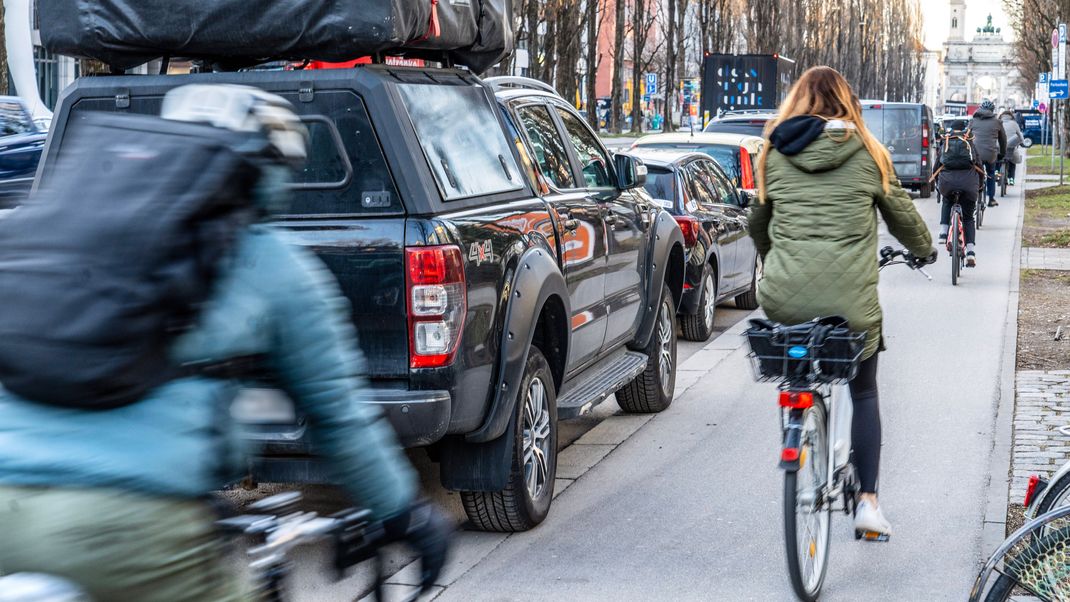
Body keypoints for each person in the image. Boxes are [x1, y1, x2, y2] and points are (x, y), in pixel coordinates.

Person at [0, 86, 450, 600]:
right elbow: (339, 418)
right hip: (123, 533)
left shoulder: (62, 231)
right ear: (270, 170)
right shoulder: (270, 261)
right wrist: (403, 514)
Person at [748, 66, 936, 541]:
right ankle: (868, 503)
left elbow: (758, 223)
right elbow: (902, 217)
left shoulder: (772, 152)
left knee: (797, 362)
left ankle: (799, 417)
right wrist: (924, 250)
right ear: (847, 104)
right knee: (864, 389)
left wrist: (777, 262)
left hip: (782, 299)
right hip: (849, 305)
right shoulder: (869, 152)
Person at [935, 119, 983, 267]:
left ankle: (943, 233)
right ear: (964, 129)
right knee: (968, 217)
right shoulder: (969, 142)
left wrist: (937, 183)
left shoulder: (946, 141)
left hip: (947, 183)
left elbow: (937, 165)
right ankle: (970, 252)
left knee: (947, 201)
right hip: (968, 184)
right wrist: (979, 185)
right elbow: (979, 165)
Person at [970, 99, 1007, 207]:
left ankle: (973, 195)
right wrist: (1002, 154)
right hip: (991, 154)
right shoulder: (997, 122)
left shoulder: (973, 121)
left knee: (975, 173)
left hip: (976, 154)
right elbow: (1003, 140)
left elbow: (966, 137)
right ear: (992, 110)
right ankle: (991, 199)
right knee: (991, 173)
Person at [1000, 110, 1024, 186]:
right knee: (1013, 161)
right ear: (1011, 116)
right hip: (1011, 147)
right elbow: (1019, 135)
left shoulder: (998, 123)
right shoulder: (1014, 123)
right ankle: (1011, 179)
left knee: (996, 158)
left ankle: (997, 173)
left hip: (999, 147)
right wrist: (1021, 142)